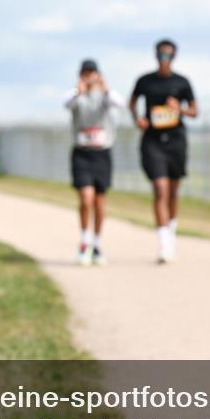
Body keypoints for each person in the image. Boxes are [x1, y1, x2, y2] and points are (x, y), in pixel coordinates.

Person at [129, 39, 197, 263]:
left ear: (174, 57)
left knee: (173, 192)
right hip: (152, 141)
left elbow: (195, 111)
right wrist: (137, 118)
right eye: (161, 55)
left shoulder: (182, 82)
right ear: (155, 56)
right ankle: (164, 245)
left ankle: (171, 231)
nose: (164, 59)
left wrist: (180, 109)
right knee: (160, 189)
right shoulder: (144, 81)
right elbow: (132, 102)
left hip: (176, 141)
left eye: (168, 55)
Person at [66, 59, 124, 266]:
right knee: (85, 198)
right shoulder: (76, 95)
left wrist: (105, 88)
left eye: (92, 73)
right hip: (82, 153)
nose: (89, 77)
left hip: (102, 153)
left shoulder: (107, 96)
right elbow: (67, 104)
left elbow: (119, 103)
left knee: (100, 202)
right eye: (85, 73)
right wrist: (79, 91)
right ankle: (84, 242)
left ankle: (97, 244)